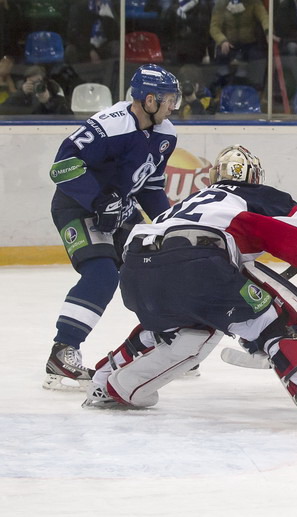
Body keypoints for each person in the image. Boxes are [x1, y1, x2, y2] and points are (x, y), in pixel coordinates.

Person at [81, 145, 297, 426]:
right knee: (278, 318)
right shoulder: (258, 194)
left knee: (186, 334)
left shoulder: (189, 202)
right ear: (254, 176)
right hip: (198, 264)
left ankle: (112, 382)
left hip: (136, 272)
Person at [43, 64, 181, 392]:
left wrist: (170, 224)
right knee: (102, 274)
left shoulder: (166, 134)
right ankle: (63, 351)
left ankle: (165, 343)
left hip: (120, 209)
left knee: (151, 269)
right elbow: (62, 168)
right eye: (169, 99)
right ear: (149, 99)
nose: (173, 106)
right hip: (77, 206)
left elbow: (150, 187)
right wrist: (97, 200)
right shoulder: (108, 126)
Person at [209, 0, 270, 88]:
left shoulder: (253, 2)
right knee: (221, 55)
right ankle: (223, 87)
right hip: (228, 44)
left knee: (258, 58)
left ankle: (257, 89)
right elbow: (214, 28)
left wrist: (268, 31)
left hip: (249, 44)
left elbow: (264, 17)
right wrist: (222, 40)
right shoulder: (221, 4)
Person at [0, 65, 71, 115]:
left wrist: (48, 101)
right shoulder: (21, 97)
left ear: (45, 83)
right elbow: (4, 111)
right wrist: (21, 94)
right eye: (31, 83)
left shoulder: (55, 96)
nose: (36, 86)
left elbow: (68, 116)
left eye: (38, 82)